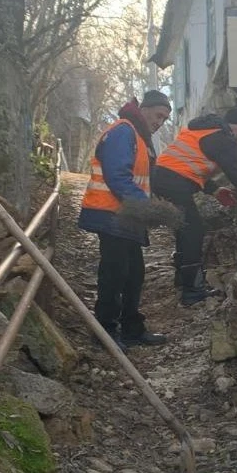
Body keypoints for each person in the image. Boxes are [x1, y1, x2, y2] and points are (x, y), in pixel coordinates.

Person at [153, 107, 237, 306]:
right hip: (173, 182)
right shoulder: (223, 139)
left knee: (184, 226)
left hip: (163, 177)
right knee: (193, 230)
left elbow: (187, 166)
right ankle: (192, 291)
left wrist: (214, 190)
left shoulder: (204, 131)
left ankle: (183, 279)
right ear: (234, 126)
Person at [78, 90, 173, 348]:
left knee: (133, 274)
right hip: (112, 216)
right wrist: (148, 208)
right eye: (158, 116)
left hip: (125, 217)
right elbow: (117, 176)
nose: (160, 122)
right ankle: (105, 333)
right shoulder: (124, 131)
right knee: (114, 274)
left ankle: (131, 328)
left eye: (164, 119)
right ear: (145, 109)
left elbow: (138, 179)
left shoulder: (138, 136)